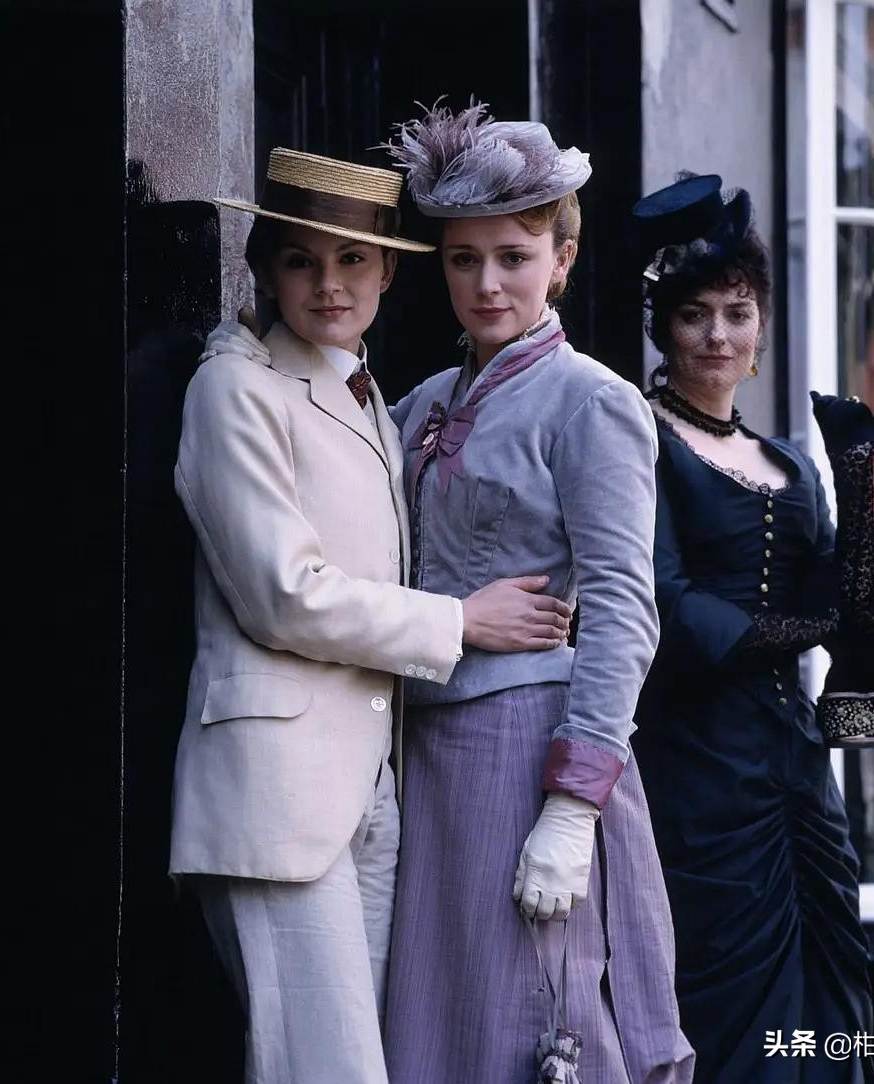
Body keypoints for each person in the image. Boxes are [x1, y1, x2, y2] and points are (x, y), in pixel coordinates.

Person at [171, 147, 571, 1084]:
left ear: (389, 271)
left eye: (353, 259)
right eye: (302, 260)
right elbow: (283, 593)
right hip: (277, 799)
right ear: (264, 269)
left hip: (370, 795)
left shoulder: (371, 396)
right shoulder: (234, 387)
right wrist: (456, 621)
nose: (329, 284)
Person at [381, 101, 694, 1084]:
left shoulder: (592, 403)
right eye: (463, 259)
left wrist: (572, 805)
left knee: (532, 1028)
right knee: (437, 1028)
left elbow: (624, 613)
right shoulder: (421, 405)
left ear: (561, 260)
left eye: (513, 257)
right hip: (423, 755)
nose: (486, 283)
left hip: (527, 752)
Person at [630, 172, 874, 1083]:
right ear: (663, 327)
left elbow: (856, 614)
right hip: (696, 772)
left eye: (738, 313)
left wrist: (856, 479)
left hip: (796, 775)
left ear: (761, 327)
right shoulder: (639, 436)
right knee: (725, 1009)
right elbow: (669, 605)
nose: (718, 336)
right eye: (694, 315)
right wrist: (807, 626)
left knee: (831, 1002)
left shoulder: (787, 462)